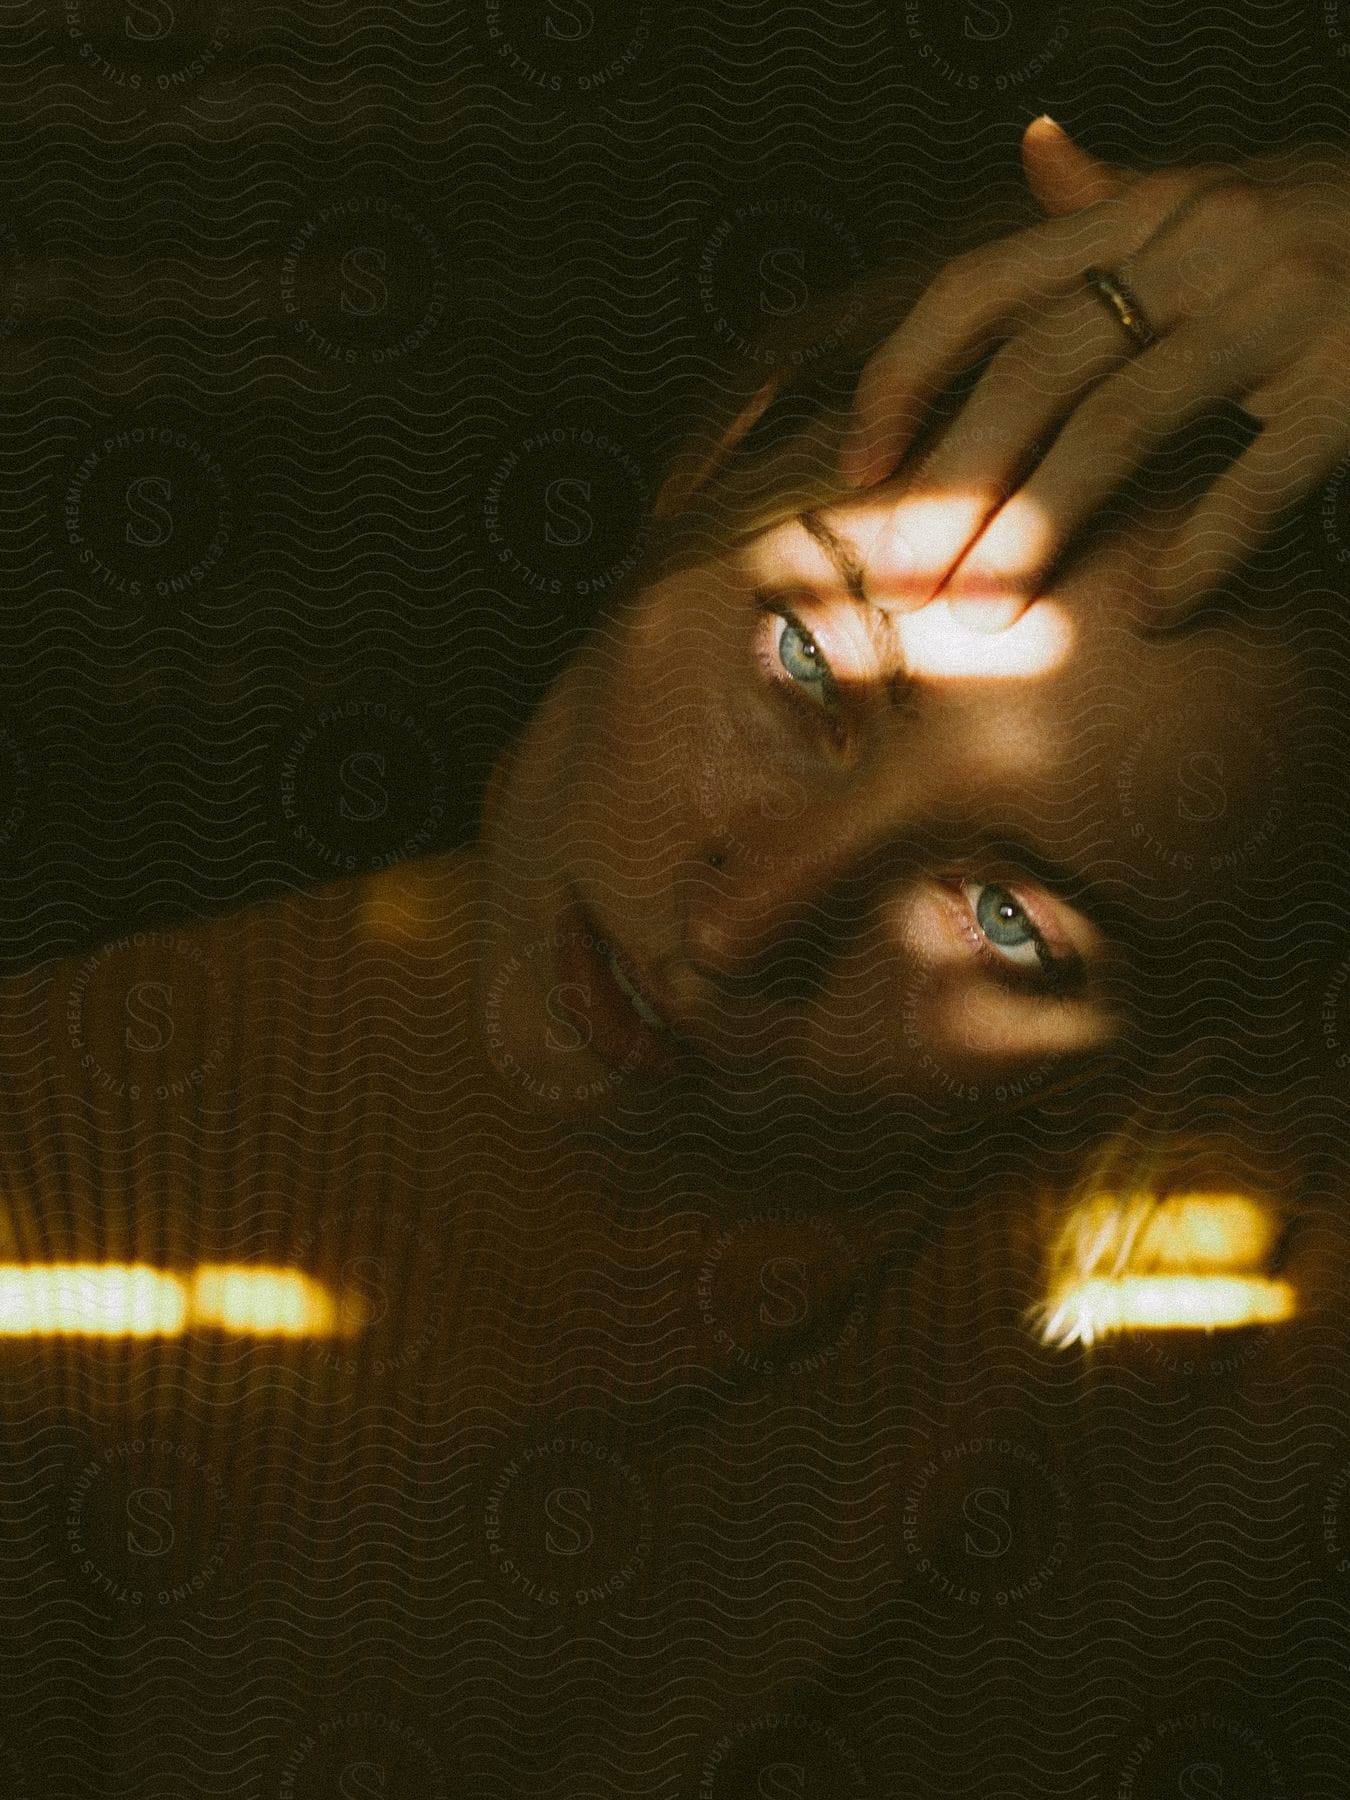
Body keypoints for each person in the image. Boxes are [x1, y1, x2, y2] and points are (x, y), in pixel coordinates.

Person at [0, 127, 1346, 1794]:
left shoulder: (1242, 1279)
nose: (738, 932)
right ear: (709, 468)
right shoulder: (66, 1156)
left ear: (1197, 1030)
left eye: (1013, 918)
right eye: (808, 664)